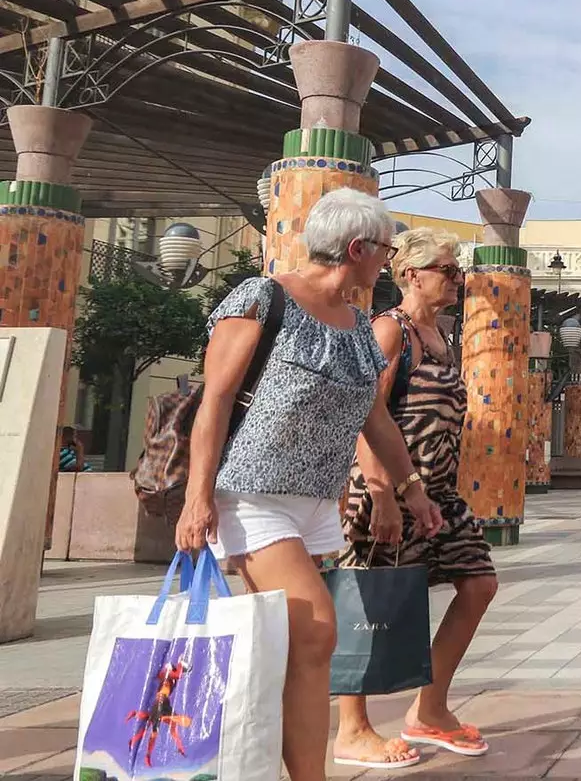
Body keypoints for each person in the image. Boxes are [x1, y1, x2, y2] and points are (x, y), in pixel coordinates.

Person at [175, 189, 445, 781]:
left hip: (315, 502)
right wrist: (198, 497)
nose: (389, 261)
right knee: (319, 629)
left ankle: (255, 762)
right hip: (250, 492)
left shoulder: (354, 325)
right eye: (385, 249)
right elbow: (214, 401)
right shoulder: (262, 299)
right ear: (357, 248)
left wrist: (411, 490)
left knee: (293, 646)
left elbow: (376, 422)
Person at [334, 228, 497, 768]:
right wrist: (383, 493)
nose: (458, 280)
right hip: (388, 491)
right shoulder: (390, 331)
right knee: (365, 602)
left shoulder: (443, 337)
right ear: (411, 275)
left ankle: (429, 710)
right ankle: (351, 728)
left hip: (437, 495)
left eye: (458, 271)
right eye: (447, 271)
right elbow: (362, 415)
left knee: (478, 584)